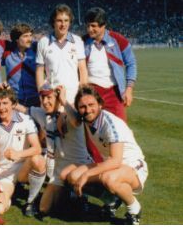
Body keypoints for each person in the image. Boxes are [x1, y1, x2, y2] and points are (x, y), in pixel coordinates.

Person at [61, 86, 148, 225]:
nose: (88, 110)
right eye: (83, 106)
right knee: (72, 176)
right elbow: (75, 119)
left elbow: (116, 161)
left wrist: (87, 175)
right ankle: (111, 200)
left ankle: (134, 210)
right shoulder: (88, 118)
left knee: (108, 179)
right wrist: (63, 101)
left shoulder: (109, 124)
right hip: (113, 166)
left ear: (100, 104)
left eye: (91, 105)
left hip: (133, 166)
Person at [25, 84, 93, 217]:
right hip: (59, 170)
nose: (45, 102)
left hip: (80, 164)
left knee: (77, 184)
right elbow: (21, 109)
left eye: (49, 97)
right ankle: (69, 194)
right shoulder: (42, 114)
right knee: (44, 208)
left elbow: (77, 122)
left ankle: (107, 199)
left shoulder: (69, 113)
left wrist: (64, 101)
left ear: (58, 98)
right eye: (43, 98)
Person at [0, 87, 45, 216]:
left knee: (38, 159)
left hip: (23, 169)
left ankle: (30, 201)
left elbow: (37, 148)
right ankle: (7, 198)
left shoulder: (26, 120)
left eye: (5, 103)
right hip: (4, 173)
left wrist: (18, 154)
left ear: (13, 105)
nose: (1, 107)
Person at [83, 7, 137, 121]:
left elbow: (131, 63)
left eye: (93, 26)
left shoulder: (118, 40)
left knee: (120, 133)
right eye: (87, 26)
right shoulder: (82, 43)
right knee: (93, 135)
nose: (89, 29)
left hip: (114, 93)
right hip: (91, 94)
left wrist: (129, 89)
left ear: (103, 25)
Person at [36, 4, 88, 104]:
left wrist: (83, 93)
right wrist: (41, 94)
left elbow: (83, 70)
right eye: (59, 20)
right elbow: (39, 72)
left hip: (73, 96)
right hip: (51, 96)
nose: (63, 24)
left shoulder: (77, 41)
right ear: (53, 22)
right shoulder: (43, 42)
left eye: (66, 20)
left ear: (70, 22)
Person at [4, 23, 39, 108]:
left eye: (30, 35)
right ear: (16, 39)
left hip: (35, 99)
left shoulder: (36, 51)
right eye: (25, 36)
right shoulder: (7, 54)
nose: (30, 39)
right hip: (15, 100)